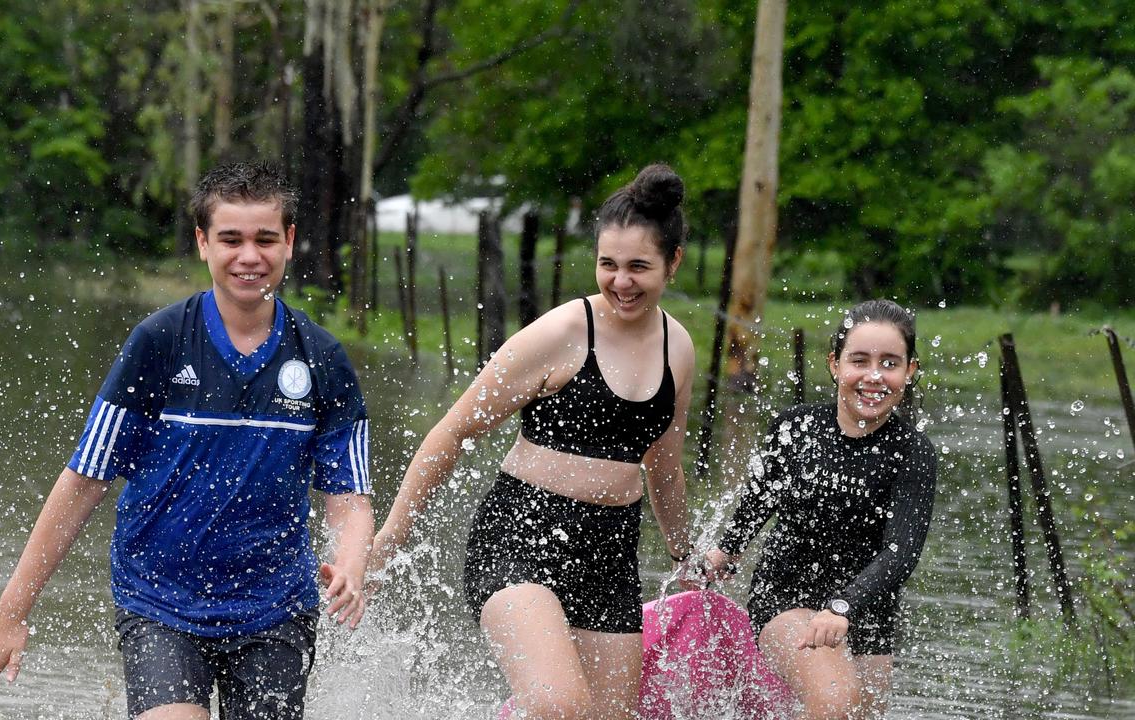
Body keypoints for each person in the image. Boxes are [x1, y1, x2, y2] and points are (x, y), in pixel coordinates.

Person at [0, 161, 374, 720]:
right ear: (204, 243)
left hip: (276, 608)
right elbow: (85, 481)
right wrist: (11, 613)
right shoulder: (158, 343)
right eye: (231, 239)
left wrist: (351, 563)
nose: (249, 257)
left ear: (290, 242)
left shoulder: (323, 358)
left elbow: (349, 497)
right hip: (159, 601)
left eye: (265, 239)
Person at [369, 164, 698, 720]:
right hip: (521, 535)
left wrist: (685, 555)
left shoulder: (679, 348)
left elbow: (663, 464)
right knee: (559, 705)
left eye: (639, 267)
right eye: (608, 265)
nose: (621, 282)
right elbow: (452, 430)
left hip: (611, 552)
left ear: (674, 262)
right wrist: (389, 539)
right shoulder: (562, 333)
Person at [703, 299, 937, 720]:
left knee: (855, 712)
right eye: (859, 361)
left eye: (889, 363)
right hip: (786, 594)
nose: (873, 377)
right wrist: (726, 551)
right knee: (836, 701)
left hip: (868, 610)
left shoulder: (914, 453)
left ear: (910, 372)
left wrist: (844, 606)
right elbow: (759, 499)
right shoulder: (794, 428)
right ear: (834, 365)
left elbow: (901, 553)